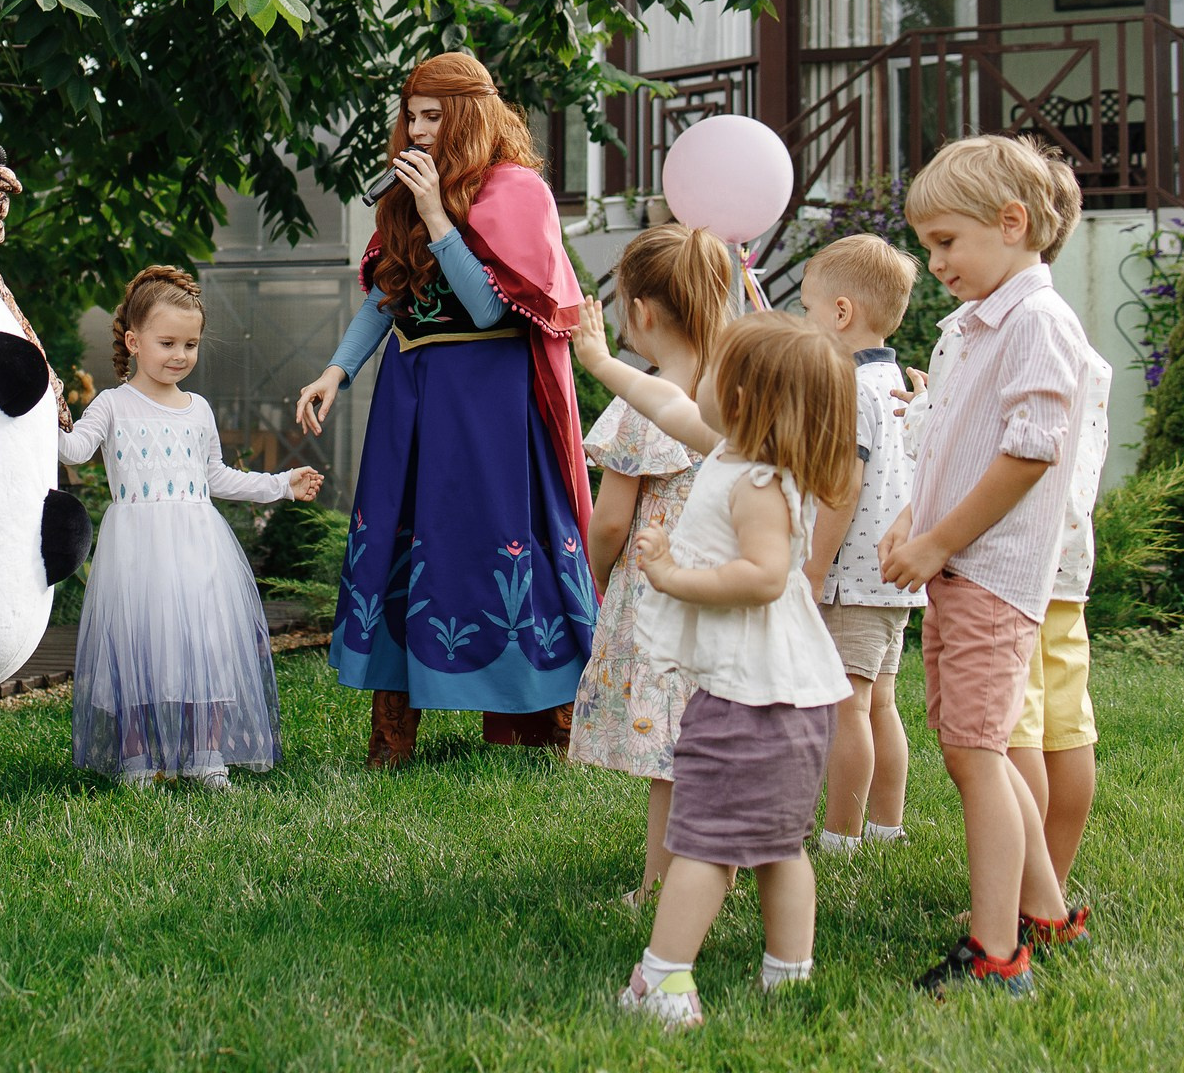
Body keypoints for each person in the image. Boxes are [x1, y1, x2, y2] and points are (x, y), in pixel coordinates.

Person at [295, 51, 592, 765]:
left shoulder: (520, 190)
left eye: (434, 116)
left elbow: (490, 305)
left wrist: (435, 210)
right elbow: (386, 295)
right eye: (412, 116)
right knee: (404, 535)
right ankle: (392, 731)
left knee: (503, 538)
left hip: (489, 404)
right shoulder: (403, 196)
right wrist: (336, 371)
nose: (417, 130)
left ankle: (556, 722)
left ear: (468, 116)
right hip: (413, 397)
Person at [571, 309, 856, 1030]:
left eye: (716, 368)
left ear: (740, 397)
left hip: (747, 697)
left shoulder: (754, 482)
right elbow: (664, 402)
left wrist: (670, 576)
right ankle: (789, 977)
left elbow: (761, 577)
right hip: (788, 694)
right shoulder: (735, 453)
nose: (695, 379)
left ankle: (663, 985)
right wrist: (601, 362)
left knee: (702, 844)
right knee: (777, 844)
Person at [879, 135, 1101, 997]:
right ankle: (1044, 912)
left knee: (977, 756)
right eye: (928, 245)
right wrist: (913, 522)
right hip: (957, 571)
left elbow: (1031, 451)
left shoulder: (1039, 322)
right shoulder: (976, 326)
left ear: (1012, 225)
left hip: (991, 573)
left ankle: (998, 953)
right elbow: (947, 447)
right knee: (983, 750)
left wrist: (939, 542)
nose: (934, 262)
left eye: (945, 242)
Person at [62, 266, 324, 788]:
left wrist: (279, 484)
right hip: (136, 551)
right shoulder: (113, 405)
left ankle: (206, 753)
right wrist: (40, 410)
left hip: (196, 548)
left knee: (202, 644)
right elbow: (72, 450)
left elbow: (215, 476)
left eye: (191, 344)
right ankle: (138, 757)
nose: (180, 355)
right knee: (140, 645)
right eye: (167, 342)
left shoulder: (197, 408)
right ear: (134, 342)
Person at [568, 226, 735, 900]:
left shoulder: (643, 405)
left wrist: (600, 573)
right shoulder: (740, 388)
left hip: (661, 595)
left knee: (672, 750)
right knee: (718, 733)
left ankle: (660, 885)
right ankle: (730, 859)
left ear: (637, 313)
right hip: (729, 586)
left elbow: (609, 520)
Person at [796, 233, 923, 853]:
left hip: (849, 577)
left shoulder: (846, 389)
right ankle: (885, 825)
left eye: (807, 310)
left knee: (847, 707)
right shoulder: (898, 386)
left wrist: (813, 572)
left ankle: (842, 837)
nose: (804, 321)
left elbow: (840, 488)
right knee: (879, 704)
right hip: (891, 575)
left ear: (840, 313)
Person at [1008, 156, 1113, 890]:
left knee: (1017, 738)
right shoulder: (1074, 335)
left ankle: (1028, 894)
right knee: (1065, 728)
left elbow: (1016, 446)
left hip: (1014, 559)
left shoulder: (1023, 325)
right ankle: (1054, 878)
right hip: (1067, 559)